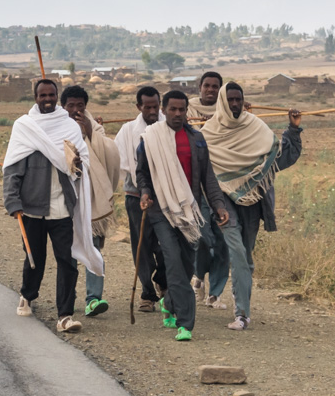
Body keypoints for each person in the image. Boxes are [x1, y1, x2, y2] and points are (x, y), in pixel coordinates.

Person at [2, 78, 104, 333]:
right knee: (35, 258)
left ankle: (65, 316)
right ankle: (28, 294)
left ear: (56, 97)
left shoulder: (68, 126)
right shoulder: (25, 126)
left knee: (67, 261)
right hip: (32, 208)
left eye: (51, 95)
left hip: (63, 207)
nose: (47, 99)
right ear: (35, 98)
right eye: (42, 95)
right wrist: (13, 202)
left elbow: (84, 164)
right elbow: (12, 168)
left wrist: (76, 161)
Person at [202, 82, 303, 331]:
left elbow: (281, 158)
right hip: (222, 199)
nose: (235, 104)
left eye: (239, 99)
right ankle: (242, 315)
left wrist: (293, 129)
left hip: (253, 200)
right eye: (231, 100)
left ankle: (243, 310)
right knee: (235, 251)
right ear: (224, 102)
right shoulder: (208, 132)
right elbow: (202, 171)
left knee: (245, 257)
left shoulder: (255, 126)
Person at [135, 90, 230, 341]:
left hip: (189, 211)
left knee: (187, 265)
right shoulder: (150, 139)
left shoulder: (197, 139)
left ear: (187, 111)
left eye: (182, 110)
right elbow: (142, 173)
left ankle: (169, 301)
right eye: (173, 109)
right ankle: (185, 323)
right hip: (162, 211)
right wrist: (145, 193)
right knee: (175, 263)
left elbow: (208, 178)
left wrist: (219, 205)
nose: (178, 114)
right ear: (163, 110)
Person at [60, 85, 123, 318]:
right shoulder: (56, 125)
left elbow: (110, 154)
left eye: (80, 106)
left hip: (91, 200)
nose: (75, 110)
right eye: (71, 106)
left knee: (93, 247)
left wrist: (91, 135)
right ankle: (66, 299)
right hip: (63, 199)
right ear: (63, 106)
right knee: (66, 251)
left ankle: (93, 299)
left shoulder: (94, 127)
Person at [115, 86, 168, 313]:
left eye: (156, 106)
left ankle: (163, 281)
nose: (153, 111)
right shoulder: (128, 130)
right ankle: (147, 294)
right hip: (136, 196)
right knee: (141, 246)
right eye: (148, 107)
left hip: (166, 196)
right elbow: (117, 156)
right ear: (139, 107)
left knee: (168, 244)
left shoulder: (169, 127)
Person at [188, 70, 230, 310]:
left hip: (225, 182)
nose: (211, 90)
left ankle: (215, 292)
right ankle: (198, 274)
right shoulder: (188, 110)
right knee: (203, 237)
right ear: (200, 87)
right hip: (197, 183)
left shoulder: (228, 111)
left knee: (224, 240)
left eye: (216, 87)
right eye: (207, 86)